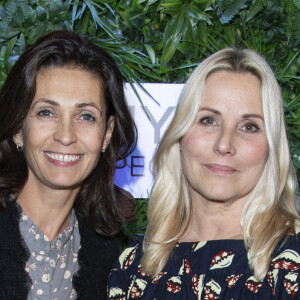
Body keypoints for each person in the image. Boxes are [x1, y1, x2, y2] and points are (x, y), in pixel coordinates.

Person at [107, 48, 300, 299]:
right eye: (209, 120)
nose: (224, 144)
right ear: (180, 135)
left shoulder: (291, 266)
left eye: (249, 126)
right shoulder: (134, 265)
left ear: (271, 148)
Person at [0, 30, 136, 299]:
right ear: (18, 128)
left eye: (85, 116)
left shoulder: (108, 255)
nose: (65, 135)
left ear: (106, 134)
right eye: (46, 112)